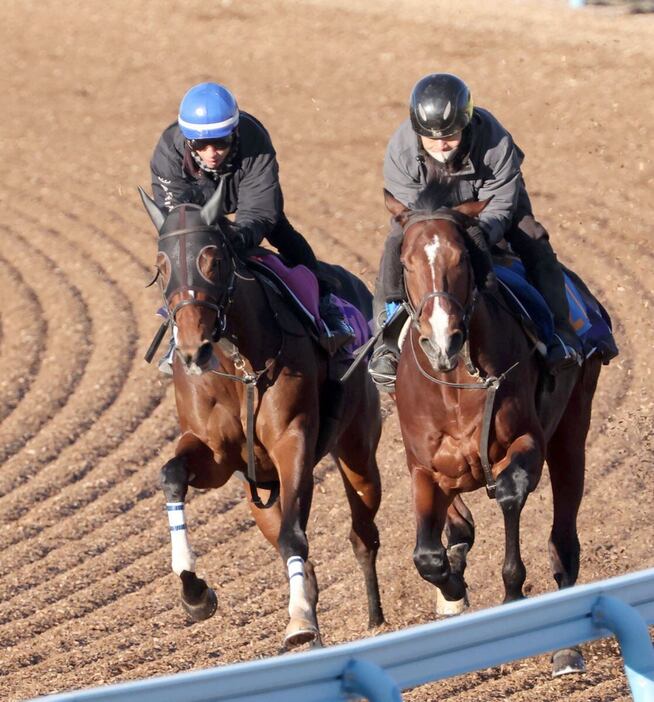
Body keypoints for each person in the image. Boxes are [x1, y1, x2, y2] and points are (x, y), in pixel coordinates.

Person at [368, 72, 583, 391]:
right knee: (395, 245)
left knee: (534, 241)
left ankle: (560, 336)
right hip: (428, 213)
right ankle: (386, 343)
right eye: (431, 138)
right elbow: (413, 217)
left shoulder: (496, 141)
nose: (441, 145)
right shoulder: (400, 151)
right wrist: (441, 236)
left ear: (466, 124)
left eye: (450, 136)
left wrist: (471, 236)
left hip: (489, 208)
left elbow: (502, 206)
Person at [150, 81, 354, 372]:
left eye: (220, 143)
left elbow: (260, 211)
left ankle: (326, 307)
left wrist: (240, 236)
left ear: (234, 132)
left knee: (284, 235)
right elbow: (178, 219)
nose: (211, 153)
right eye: (200, 145)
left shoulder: (254, 139)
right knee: (182, 258)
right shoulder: (167, 152)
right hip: (195, 205)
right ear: (186, 140)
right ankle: (178, 334)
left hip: (245, 193)